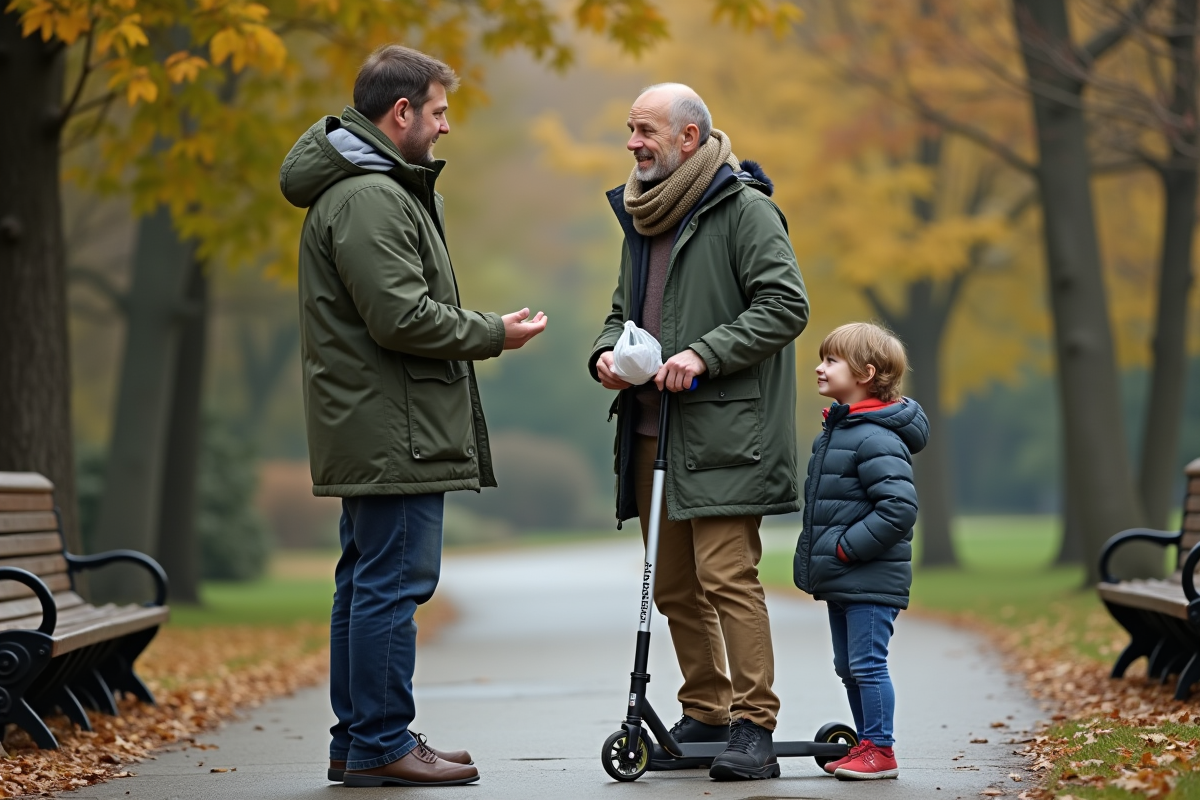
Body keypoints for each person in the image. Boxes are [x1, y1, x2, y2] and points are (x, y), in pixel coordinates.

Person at [279, 44, 547, 788]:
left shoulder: (370, 186)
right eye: (438, 112)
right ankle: (381, 743)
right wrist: (493, 332)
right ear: (400, 113)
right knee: (392, 584)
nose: (445, 128)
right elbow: (400, 318)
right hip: (392, 427)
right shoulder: (369, 196)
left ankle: (361, 740)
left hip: (380, 422)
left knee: (368, 583)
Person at [588, 83, 809, 781]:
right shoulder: (642, 215)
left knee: (726, 577)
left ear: (689, 138)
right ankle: (707, 710)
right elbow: (623, 310)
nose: (632, 142)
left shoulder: (745, 211)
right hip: (653, 429)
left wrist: (704, 352)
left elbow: (785, 305)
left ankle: (754, 724)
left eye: (645, 129)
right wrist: (604, 355)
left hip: (724, 430)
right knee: (674, 586)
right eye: (629, 128)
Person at [792, 322, 929, 781]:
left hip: (867, 575)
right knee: (847, 665)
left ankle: (882, 751)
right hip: (845, 575)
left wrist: (847, 549)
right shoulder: (841, 430)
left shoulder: (875, 437)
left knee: (867, 664)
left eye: (831, 360)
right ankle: (867, 743)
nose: (819, 367)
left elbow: (899, 509)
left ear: (867, 373)